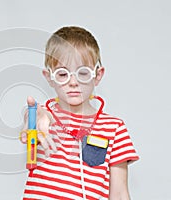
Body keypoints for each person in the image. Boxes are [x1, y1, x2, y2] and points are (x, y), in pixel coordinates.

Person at [19, 26, 139, 200]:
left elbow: (119, 194)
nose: (73, 82)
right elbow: (36, 117)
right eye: (63, 74)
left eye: (83, 73)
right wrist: (35, 118)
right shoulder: (43, 118)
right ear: (49, 77)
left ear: (98, 75)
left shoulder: (114, 129)